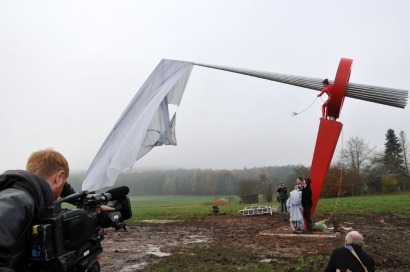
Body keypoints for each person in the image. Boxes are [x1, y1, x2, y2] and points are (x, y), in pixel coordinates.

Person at [0, 148, 76, 271]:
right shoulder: (18, 201)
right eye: (64, 182)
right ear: (60, 176)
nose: (63, 189)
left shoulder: (32, 196)